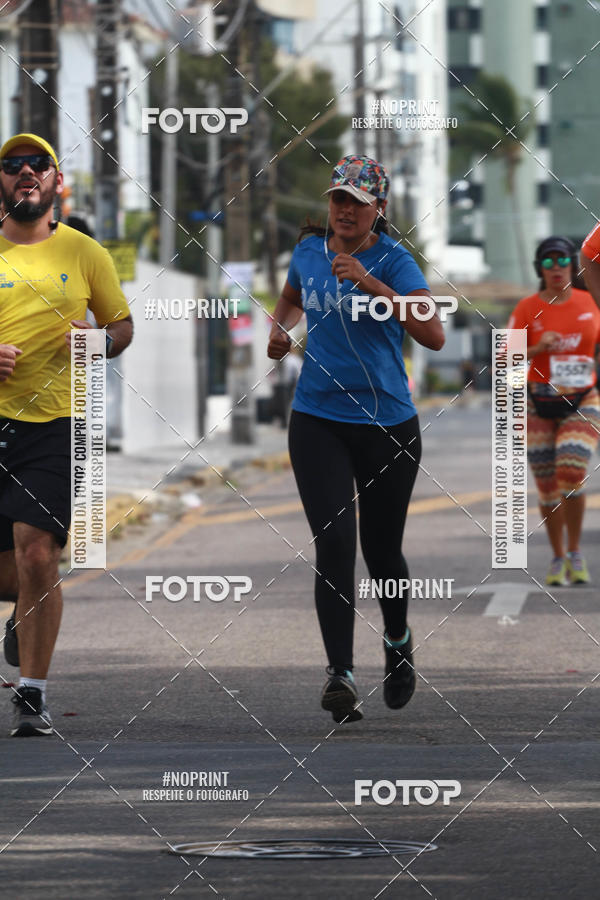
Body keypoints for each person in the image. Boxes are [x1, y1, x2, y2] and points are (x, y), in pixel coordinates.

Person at [267, 155, 444, 724]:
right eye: (338, 199)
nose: (345, 211)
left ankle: (397, 641)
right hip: (317, 416)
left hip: (387, 422)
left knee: (381, 550)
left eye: (357, 203)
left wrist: (371, 284)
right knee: (335, 541)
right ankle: (339, 673)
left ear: (378, 211)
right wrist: (279, 328)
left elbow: (433, 332)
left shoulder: (396, 260)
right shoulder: (308, 252)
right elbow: (293, 296)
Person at [0, 133, 133, 736]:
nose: (25, 172)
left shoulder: (85, 253)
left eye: (38, 165)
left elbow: (121, 326)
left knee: (37, 552)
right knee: (22, 574)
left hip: (56, 423)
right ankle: (24, 613)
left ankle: (32, 696)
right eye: (12, 165)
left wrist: (97, 342)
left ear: (56, 182)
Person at [508, 236, 600, 586]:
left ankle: (575, 551)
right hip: (539, 403)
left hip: (583, 399)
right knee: (547, 488)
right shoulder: (528, 308)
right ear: (539, 268)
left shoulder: (591, 302)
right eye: (548, 262)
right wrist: (534, 348)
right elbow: (504, 356)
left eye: (562, 260)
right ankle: (558, 557)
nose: (556, 267)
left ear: (573, 265)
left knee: (572, 469)